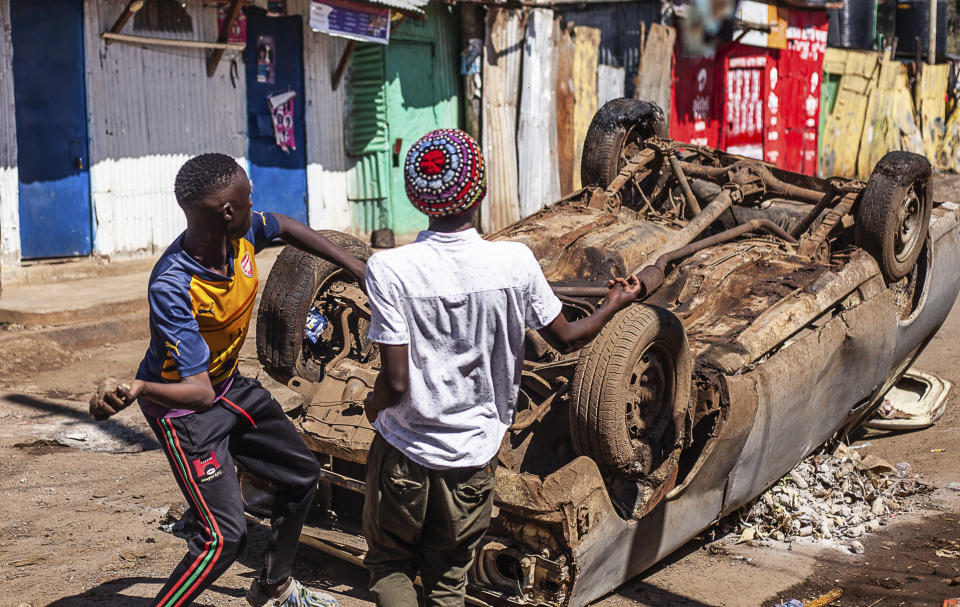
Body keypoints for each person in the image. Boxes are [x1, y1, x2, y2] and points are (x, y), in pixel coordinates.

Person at [360, 129, 642, 607]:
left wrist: (373, 407)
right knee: (450, 580)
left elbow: (395, 381)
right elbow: (567, 337)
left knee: (389, 568)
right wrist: (614, 301)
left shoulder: (390, 269)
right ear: (482, 190)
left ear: (414, 197)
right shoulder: (514, 262)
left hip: (404, 452)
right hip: (471, 459)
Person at [88, 153, 365, 607]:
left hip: (228, 386)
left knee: (301, 473)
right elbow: (196, 394)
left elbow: (287, 226)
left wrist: (355, 264)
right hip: (183, 411)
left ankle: (274, 587)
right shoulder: (175, 285)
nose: (254, 200)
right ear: (226, 211)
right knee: (223, 539)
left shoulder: (242, 236)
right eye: (247, 194)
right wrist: (139, 389)